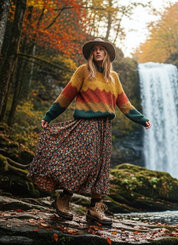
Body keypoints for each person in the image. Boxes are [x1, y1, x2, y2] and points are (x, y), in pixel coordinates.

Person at [28, 38, 151, 225]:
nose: (98, 52)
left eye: (102, 49)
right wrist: (48, 116)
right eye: (95, 50)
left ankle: (95, 208)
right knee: (85, 160)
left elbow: (125, 104)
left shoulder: (114, 78)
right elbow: (66, 96)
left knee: (101, 166)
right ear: (91, 54)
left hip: (104, 127)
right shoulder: (83, 71)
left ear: (107, 54)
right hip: (86, 125)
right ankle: (64, 198)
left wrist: (142, 119)